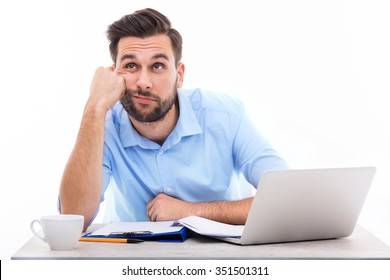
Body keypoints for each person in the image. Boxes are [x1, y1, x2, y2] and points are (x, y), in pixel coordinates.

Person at [59, 8, 288, 230]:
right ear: (114, 75)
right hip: (130, 261)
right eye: (131, 66)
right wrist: (95, 106)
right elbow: (72, 219)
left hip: (219, 259)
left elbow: (286, 199)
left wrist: (192, 211)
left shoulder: (226, 115)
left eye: (157, 66)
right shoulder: (103, 125)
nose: (143, 82)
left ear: (179, 75)